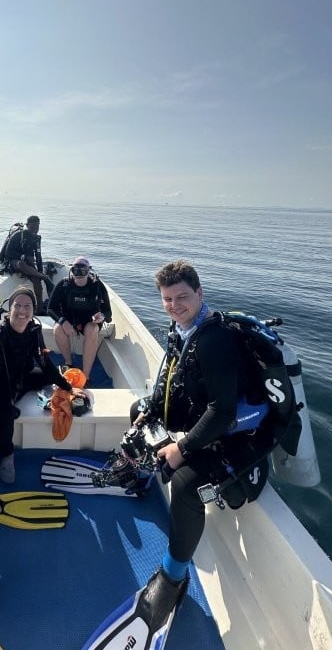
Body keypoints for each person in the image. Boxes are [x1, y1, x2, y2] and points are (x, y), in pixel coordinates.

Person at [130, 259, 274, 613]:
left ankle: (173, 577)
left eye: (182, 297)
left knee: (184, 486)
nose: (174, 306)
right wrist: (150, 409)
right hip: (204, 424)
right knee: (138, 414)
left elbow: (223, 411)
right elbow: (171, 379)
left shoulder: (214, 341)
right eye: (167, 299)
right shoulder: (182, 330)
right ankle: (144, 475)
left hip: (237, 437)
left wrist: (180, 447)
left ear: (199, 293)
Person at [0, 286, 86, 483]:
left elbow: (44, 364)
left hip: (14, 381)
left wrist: (68, 388)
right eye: (17, 305)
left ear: (34, 311)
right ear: (10, 309)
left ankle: (20, 397)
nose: (22, 310)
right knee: (6, 413)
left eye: (28, 306)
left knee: (46, 376)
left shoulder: (33, 331)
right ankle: (7, 455)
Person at [47, 256, 112, 386]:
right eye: (76, 270)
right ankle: (69, 363)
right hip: (69, 318)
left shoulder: (97, 286)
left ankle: (85, 376)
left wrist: (102, 317)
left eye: (83, 271)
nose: (80, 275)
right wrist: (63, 321)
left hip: (90, 320)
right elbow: (50, 308)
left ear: (89, 271)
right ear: (72, 271)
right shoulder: (64, 285)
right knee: (58, 329)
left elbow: (108, 312)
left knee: (92, 329)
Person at [1, 215, 54, 311]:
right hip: (14, 262)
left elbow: (38, 256)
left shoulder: (37, 238)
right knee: (21, 263)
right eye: (32, 227)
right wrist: (24, 256)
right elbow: (8, 254)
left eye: (37, 227)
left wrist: (40, 271)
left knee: (37, 279)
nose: (35, 229)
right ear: (27, 225)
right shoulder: (18, 235)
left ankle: (40, 308)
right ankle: (45, 278)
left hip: (28, 266)